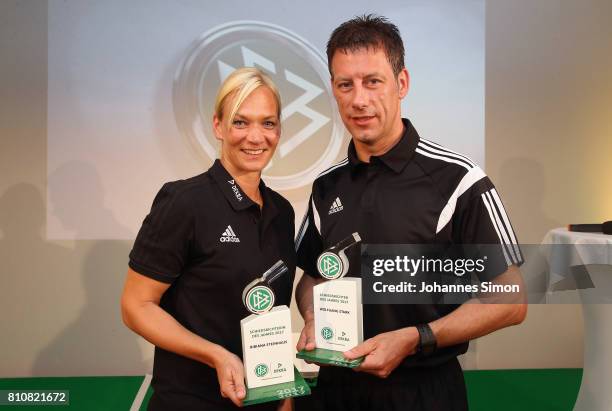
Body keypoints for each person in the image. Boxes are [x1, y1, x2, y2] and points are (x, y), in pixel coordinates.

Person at [294, 15, 527, 411]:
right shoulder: (326, 186)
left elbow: (511, 298)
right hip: (336, 389)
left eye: (373, 81)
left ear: (401, 83)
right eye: (344, 84)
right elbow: (313, 277)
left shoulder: (460, 180)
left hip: (423, 392)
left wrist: (416, 337)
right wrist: (314, 316)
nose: (359, 100)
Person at [121, 67, 295, 411]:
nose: (255, 136)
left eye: (268, 123)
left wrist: (284, 395)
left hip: (263, 400)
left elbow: (272, 312)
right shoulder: (184, 202)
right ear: (218, 126)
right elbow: (135, 307)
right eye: (240, 122)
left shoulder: (282, 212)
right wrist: (215, 355)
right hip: (192, 400)